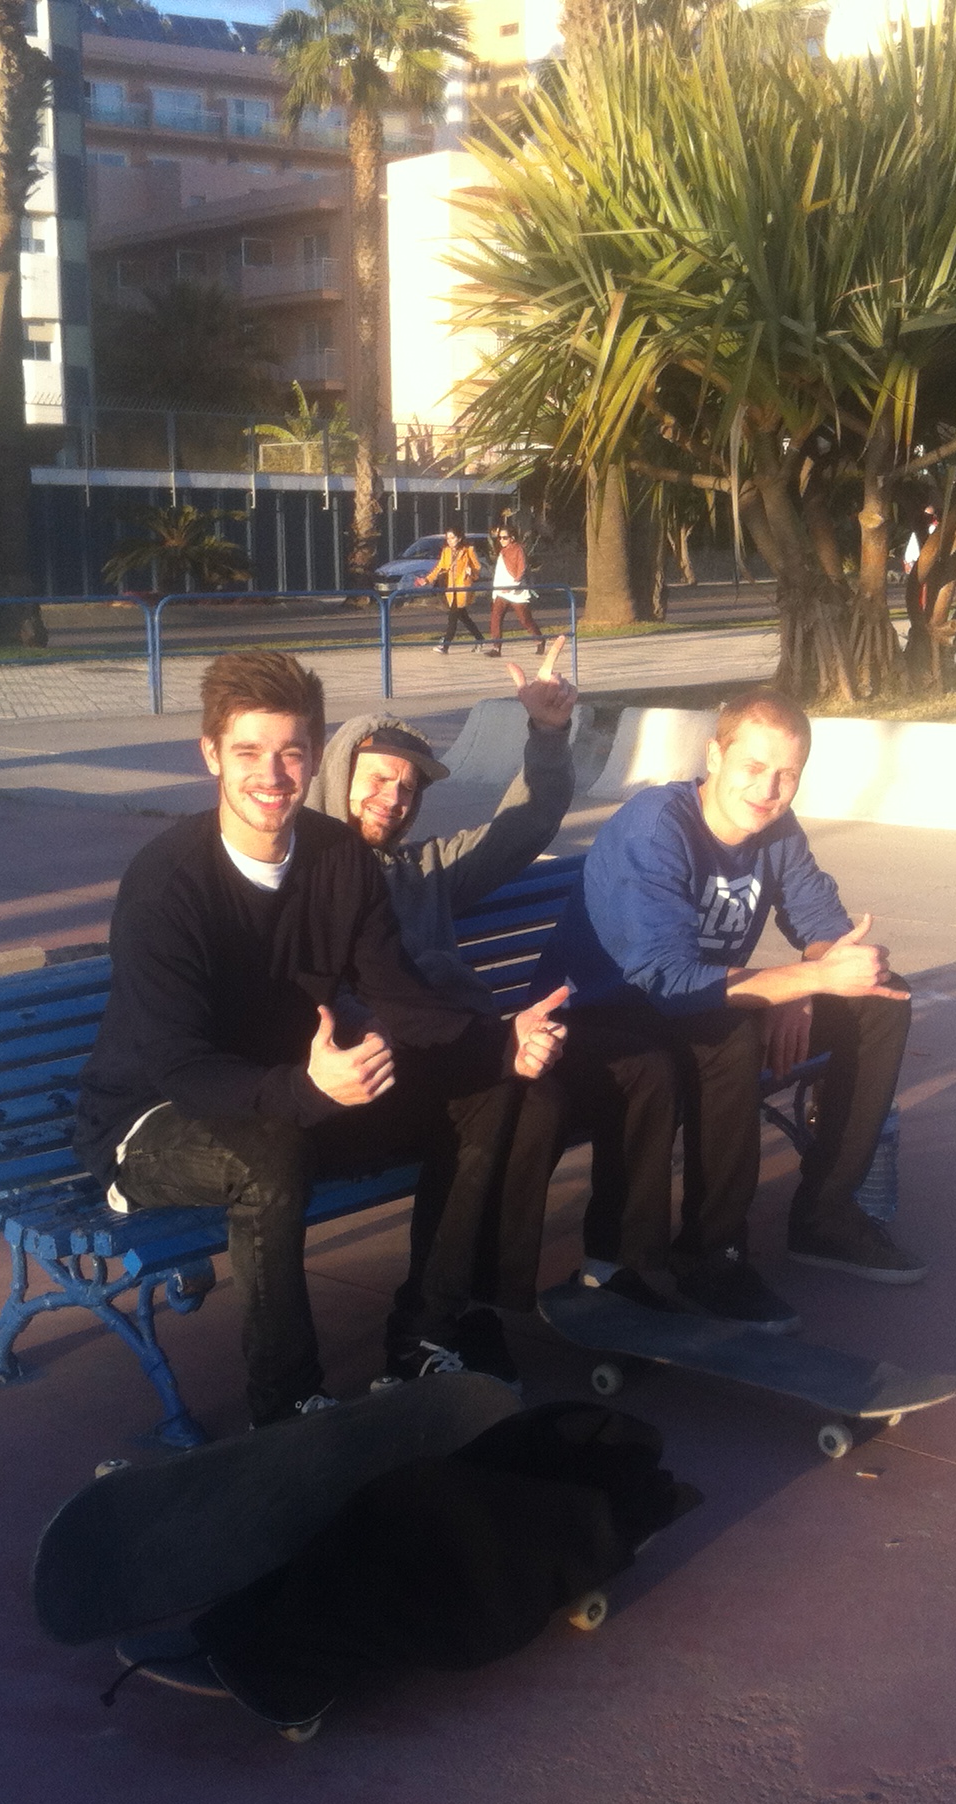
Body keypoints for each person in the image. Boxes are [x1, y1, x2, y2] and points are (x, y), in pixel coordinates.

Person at [71, 651, 569, 1427]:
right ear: (210, 754)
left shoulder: (340, 859)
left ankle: (424, 1337)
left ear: (313, 755)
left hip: (295, 1093)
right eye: (247, 753)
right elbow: (178, 1063)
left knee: (485, 1089)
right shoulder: (166, 883)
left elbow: (399, 999)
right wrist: (305, 1093)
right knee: (271, 1152)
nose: (272, 776)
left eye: (291, 752)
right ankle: (287, 1402)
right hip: (152, 1119)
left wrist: (499, 1043)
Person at [313, 642, 683, 1373]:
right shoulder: (304, 880)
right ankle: (464, 1310)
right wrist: (487, 1041)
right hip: (406, 1067)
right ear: (337, 775)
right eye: (379, 778)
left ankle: (618, 1270)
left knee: (644, 1067)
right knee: (532, 1102)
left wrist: (546, 734)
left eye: (410, 787)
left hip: (479, 1042)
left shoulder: (425, 871)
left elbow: (527, 826)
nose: (395, 797)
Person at [553, 687, 922, 1336]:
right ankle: (707, 1256)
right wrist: (793, 980)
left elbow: (823, 924)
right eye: (754, 768)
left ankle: (825, 1216)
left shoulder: (774, 825)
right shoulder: (658, 826)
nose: (769, 789)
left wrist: (804, 988)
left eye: (788, 774)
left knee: (879, 1001)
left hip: (695, 1003)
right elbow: (667, 980)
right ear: (715, 755)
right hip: (607, 1014)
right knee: (728, 1039)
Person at [426, 524, 484, 654]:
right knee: (464, 617)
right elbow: (439, 567)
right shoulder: (446, 551)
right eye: (448, 538)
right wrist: (427, 579)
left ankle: (445, 645)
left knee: (453, 617)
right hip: (451, 589)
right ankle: (480, 639)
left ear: (459, 538)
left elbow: (477, 567)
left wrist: (472, 571)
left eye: (452, 538)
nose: (450, 541)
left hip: (463, 588)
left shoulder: (468, 549)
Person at [487, 522, 541, 656]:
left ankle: (539, 640)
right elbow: (499, 572)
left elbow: (521, 569)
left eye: (504, 538)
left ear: (512, 538)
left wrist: (512, 585)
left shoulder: (518, 550)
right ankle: (496, 648)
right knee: (496, 618)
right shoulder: (502, 551)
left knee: (525, 620)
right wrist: (496, 591)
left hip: (516, 592)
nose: (501, 540)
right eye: (499, 538)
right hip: (501, 592)